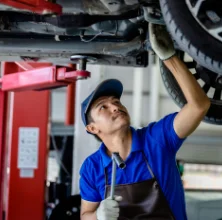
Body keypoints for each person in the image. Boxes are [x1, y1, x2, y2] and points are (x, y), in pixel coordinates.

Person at [79, 23, 211, 220]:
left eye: (116, 101)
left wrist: (169, 58)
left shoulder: (157, 139)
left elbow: (198, 106)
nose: (115, 106)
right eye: (103, 107)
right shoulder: (92, 167)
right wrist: (97, 216)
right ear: (92, 128)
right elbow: (85, 215)